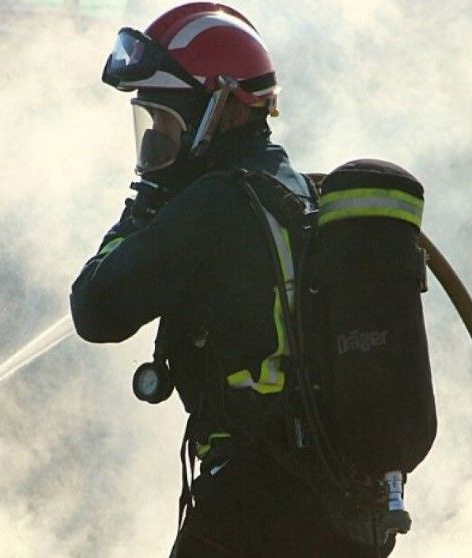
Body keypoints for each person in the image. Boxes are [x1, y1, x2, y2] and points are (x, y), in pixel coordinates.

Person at [71, 4, 396, 556]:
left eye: (166, 123)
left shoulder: (215, 203)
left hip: (256, 502)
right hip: (330, 503)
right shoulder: (295, 190)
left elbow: (96, 309)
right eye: (150, 124)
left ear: (223, 107)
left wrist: (142, 204)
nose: (154, 143)